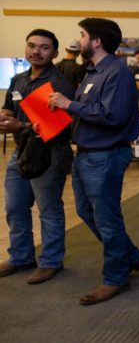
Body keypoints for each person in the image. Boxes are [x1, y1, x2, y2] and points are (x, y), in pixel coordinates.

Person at [48, 17, 139, 306]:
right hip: (87, 155)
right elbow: (87, 111)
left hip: (106, 155)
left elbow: (112, 116)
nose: (78, 40)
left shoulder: (116, 72)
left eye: (82, 35)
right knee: (86, 211)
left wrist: (70, 105)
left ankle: (116, 277)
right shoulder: (93, 72)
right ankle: (132, 256)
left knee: (106, 218)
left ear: (96, 41)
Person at [0, 29, 75, 284]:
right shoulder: (19, 79)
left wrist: (17, 126)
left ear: (54, 52)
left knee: (48, 209)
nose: (36, 51)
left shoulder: (59, 84)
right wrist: (5, 117)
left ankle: (51, 261)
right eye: (31, 45)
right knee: (14, 207)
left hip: (50, 152)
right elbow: (9, 106)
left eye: (44, 47)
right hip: (22, 151)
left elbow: (57, 126)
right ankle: (21, 257)